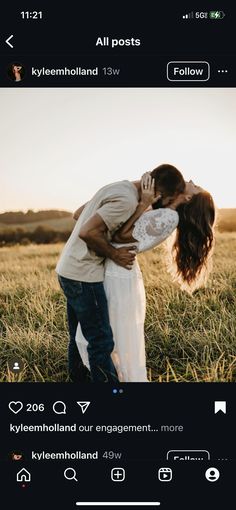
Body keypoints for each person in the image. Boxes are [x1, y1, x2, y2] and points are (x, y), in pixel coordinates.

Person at [76, 176, 215, 382]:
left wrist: (143, 204)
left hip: (118, 277)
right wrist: (137, 192)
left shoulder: (168, 217)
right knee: (107, 334)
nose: (192, 180)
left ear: (188, 198)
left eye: (196, 186)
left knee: (112, 337)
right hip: (116, 271)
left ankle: (115, 383)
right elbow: (84, 216)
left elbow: (119, 237)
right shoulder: (163, 212)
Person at [56, 164, 186, 382]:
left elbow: (79, 215)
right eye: (169, 199)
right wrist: (114, 254)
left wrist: (140, 205)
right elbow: (88, 232)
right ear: (160, 194)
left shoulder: (119, 187)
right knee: (101, 342)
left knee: (78, 336)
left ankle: (78, 381)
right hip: (84, 275)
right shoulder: (127, 201)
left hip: (68, 269)